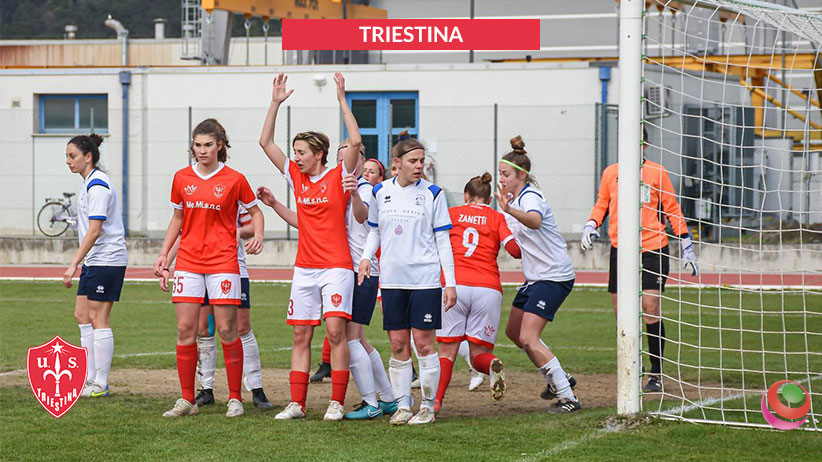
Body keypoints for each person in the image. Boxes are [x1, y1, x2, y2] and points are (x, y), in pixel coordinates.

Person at [259, 153, 397, 420]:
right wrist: (275, 204)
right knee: (357, 339)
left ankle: (371, 402)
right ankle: (388, 398)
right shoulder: (335, 187)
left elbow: (362, 218)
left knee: (350, 339)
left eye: (370, 169)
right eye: (339, 159)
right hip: (346, 269)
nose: (344, 165)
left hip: (358, 270)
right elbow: (308, 222)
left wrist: (354, 193)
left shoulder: (363, 191)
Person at [258, 72, 361, 421]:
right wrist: (275, 102)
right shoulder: (296, 177)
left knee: (335, 332)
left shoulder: (338, 175)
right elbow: (265, 143)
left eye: (301, 152)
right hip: (305, 268)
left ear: (319, 154)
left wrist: (342, 99)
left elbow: (356, 140)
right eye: (295, 153)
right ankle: (297, 404)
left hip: (336, 267)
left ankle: (336, 402)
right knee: (301, 334)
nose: (296, 157)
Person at [154, 118, 264, 418]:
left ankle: (234, 398)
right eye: (197, 145)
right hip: (188, 261)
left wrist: (258, 235)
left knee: (227, 329)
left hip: (223, 263)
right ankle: (187, 399)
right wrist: (164, 255)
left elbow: (256, 212)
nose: (202, 151)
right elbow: (177, 219)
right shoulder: (181, 178)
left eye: (208, 145)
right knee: (186, 329)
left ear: (220, 146)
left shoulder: (235, 179)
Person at [580, 128, 698, 393]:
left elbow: (672, 208)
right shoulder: (611, 172)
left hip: (654, 248)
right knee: (620, 310)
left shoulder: (657, 172)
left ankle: (656, 373)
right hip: (621, 249)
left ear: (644, 144)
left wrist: (685, 241)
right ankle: (633, 364)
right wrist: (591, 224)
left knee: (650, 305)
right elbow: (602, 204)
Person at [358, 130, 458, 426]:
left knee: (424, 344)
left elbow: (443, 241)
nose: (419, 166)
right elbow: (375, 230)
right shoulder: (380, 192)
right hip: (392, 282)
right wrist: (366, 256)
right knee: (398, 344)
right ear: (397, 162)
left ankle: (427, 406)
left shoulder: (433, 194)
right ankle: (403, 405)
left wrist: (450, 282)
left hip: (425, 281)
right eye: (413, 161)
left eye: (421, 161)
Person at [497, 135, 582, 413]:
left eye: (506, 174)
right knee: (514, 332)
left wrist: (509, 210)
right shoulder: (511, 200)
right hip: (536, 277)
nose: (502, 179)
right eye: (500, 174)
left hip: (553, 275)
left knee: (529, 337)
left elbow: (534, 221)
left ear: (521, 175)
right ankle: (560, 378)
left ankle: (568, 397)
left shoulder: (530, 196)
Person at [164, 207, 274, 410]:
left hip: (231, 267)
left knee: (241, 326)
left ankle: (256, 387)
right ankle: (206, 389)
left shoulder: (233, 193)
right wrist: (166, 263)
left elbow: (252, 224)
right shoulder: (191, 194)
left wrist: (240, 231)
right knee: (203, 328)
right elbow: (183, 232)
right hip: (197, 267)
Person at [433, 172, 522, 413]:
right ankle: (491, 364)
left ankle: (436, 402)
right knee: (478, 354)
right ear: (489, 199)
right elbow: (515, 251)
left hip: (454, 286)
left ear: (466, 196)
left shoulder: (452, 214)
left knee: (447, 353)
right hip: (488, 289)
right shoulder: (496, 217)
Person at [62, 134, 127, 399]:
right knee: (82, 314)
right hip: (94, 260)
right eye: (67, 156)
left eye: (72, 156)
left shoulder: (98, 185)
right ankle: (89, 378)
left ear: (88, 157)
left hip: (107, 259)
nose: (68, 161)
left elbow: (95, 230)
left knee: (99, 318)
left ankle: (100, 383)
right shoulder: (88, 183)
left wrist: (73, 263)